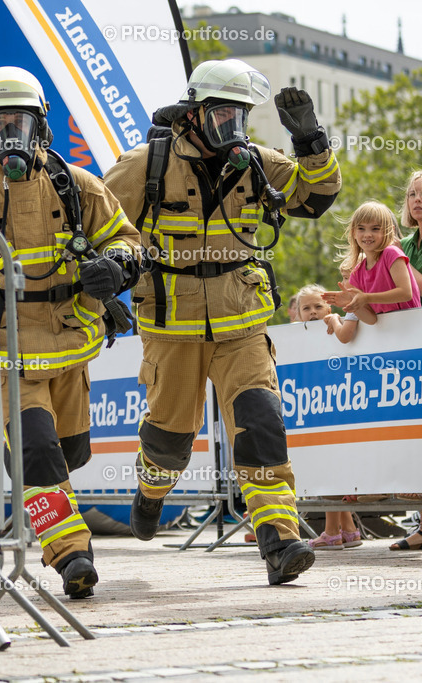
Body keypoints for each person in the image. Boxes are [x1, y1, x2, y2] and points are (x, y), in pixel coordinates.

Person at [103, 59, 342, 585]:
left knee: (260, 426)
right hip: (171, 326)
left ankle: (278, 538)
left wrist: (310, 141)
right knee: (170, 439)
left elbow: (315, 197)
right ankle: (151, 489)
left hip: (242, 321)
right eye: (222, 113)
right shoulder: (146, 163)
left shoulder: (255, 161)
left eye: (241, 114)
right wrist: (106, 283)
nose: (233, 124)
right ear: (194, 113)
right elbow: (101, 224)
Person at [0, 66, 141, 599]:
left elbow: (126, 238)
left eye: (18, 123)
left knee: (67, 454)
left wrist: (116, 265)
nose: (9, 136)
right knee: (37, 454)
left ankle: (49, 512)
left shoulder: (76, 186)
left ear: (39, 127)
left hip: (71, 343)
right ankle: (71, 554)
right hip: (9, 352)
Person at [289, 284, 362, 549]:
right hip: (314, 406)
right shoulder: (297, 337)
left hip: (338, 403)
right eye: (305, 308)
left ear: (329, 307)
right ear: (296, 314)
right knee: (326, 464)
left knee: (332, 465)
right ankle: (349, 530)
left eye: (318, 307)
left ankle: (332, 532)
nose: (312, 312)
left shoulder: (336, 324)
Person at [323, 200, 421, 338]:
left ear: (389, 231)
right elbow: (371, 319)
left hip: (413, 330)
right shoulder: (357, 273)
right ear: (354, 233)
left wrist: (366, 298)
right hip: (390, 337)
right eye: (361, 228)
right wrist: (352, 304)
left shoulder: (391, 253)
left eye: (375, 229)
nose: (367, 234)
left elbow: (405, 293)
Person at [400, 170, 422, 288]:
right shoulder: (403, 244)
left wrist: (401, 259)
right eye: (412, 194)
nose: (417, 199)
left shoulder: (399, 250)